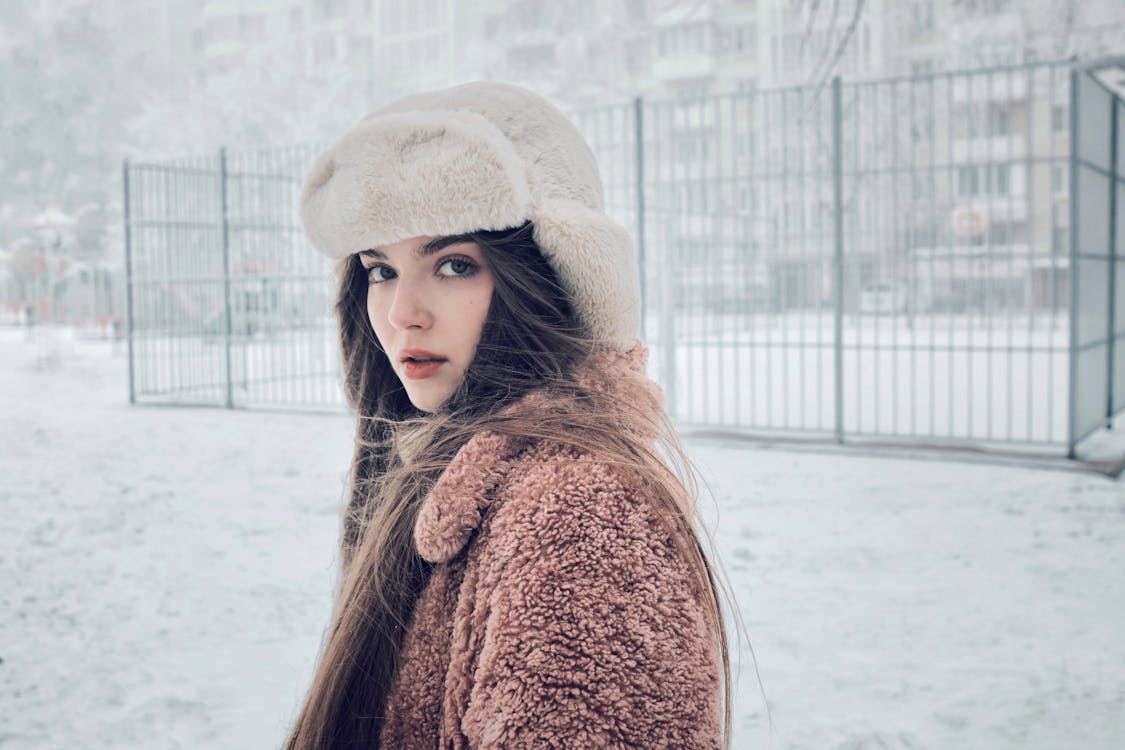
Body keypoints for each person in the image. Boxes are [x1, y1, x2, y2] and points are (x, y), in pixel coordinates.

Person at [287, 81, 732, 749]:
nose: (403, 310)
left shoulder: (581, 520)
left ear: (549, 274)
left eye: (454, 264)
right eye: (380, 270)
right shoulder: (444, 470)